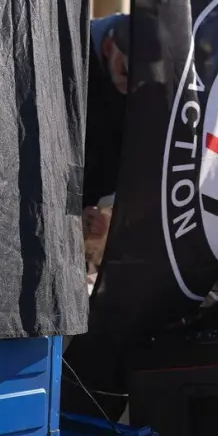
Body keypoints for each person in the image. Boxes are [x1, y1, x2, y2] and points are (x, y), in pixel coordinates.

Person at [81, 14, 130, 278]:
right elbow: (63, 149)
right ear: (110, 47)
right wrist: (74, 209)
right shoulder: (74, 62)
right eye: (125, 70)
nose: (129, 84)